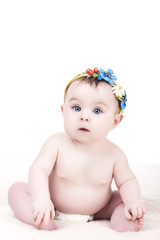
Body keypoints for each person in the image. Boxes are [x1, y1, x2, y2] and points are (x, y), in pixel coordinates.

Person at [8, 67, 146, 232]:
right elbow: (38, 170)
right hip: (53, 205)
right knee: (17, 190)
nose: (84, 116)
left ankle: (122, 223)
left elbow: (127, 181)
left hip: (98, 210)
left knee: (123, 199)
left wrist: (132, 200)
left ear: (115, 122)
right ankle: (41, 218)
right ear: (63, 111)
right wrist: (41, 200)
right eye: (76, 108)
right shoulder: (55, 143)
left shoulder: (115, 154)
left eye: (97, 111)